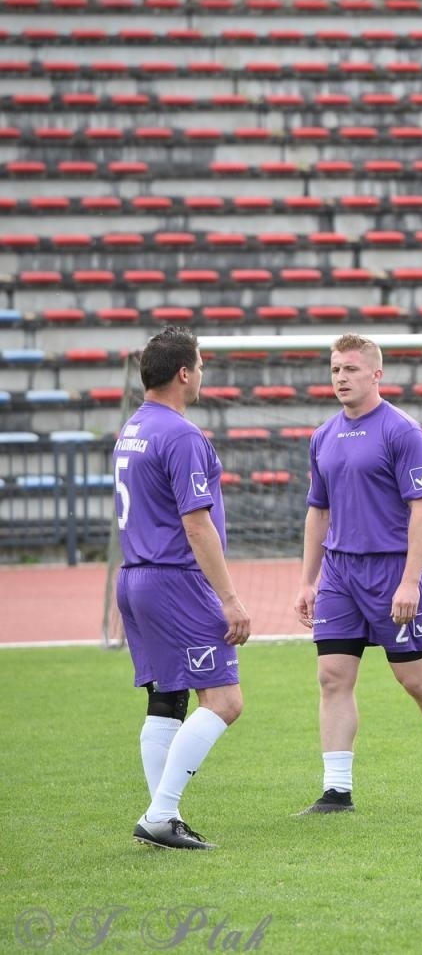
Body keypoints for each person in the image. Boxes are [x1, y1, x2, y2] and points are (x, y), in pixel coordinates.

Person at [293, 334, 422, 813]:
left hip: (390, 572)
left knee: (415, 680)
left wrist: (409, 580)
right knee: (332, 676)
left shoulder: (402, 432)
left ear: (376, 374)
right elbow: (318, 512)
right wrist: (308, 581)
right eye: (335, 369)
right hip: (339, 573)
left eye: (351, 369)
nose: (340, 378)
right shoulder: (323, 436)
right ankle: (337, 790)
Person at [114, 326, 250, 850]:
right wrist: (230, 598)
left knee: (167, 699)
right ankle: (162, 813)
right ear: (185, 373)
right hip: (176, 581)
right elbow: (198, 525)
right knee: (224, 700)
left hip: (137, 577)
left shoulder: (132, 428)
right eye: (201, 365)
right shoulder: (182, 435)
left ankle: (160, 817)